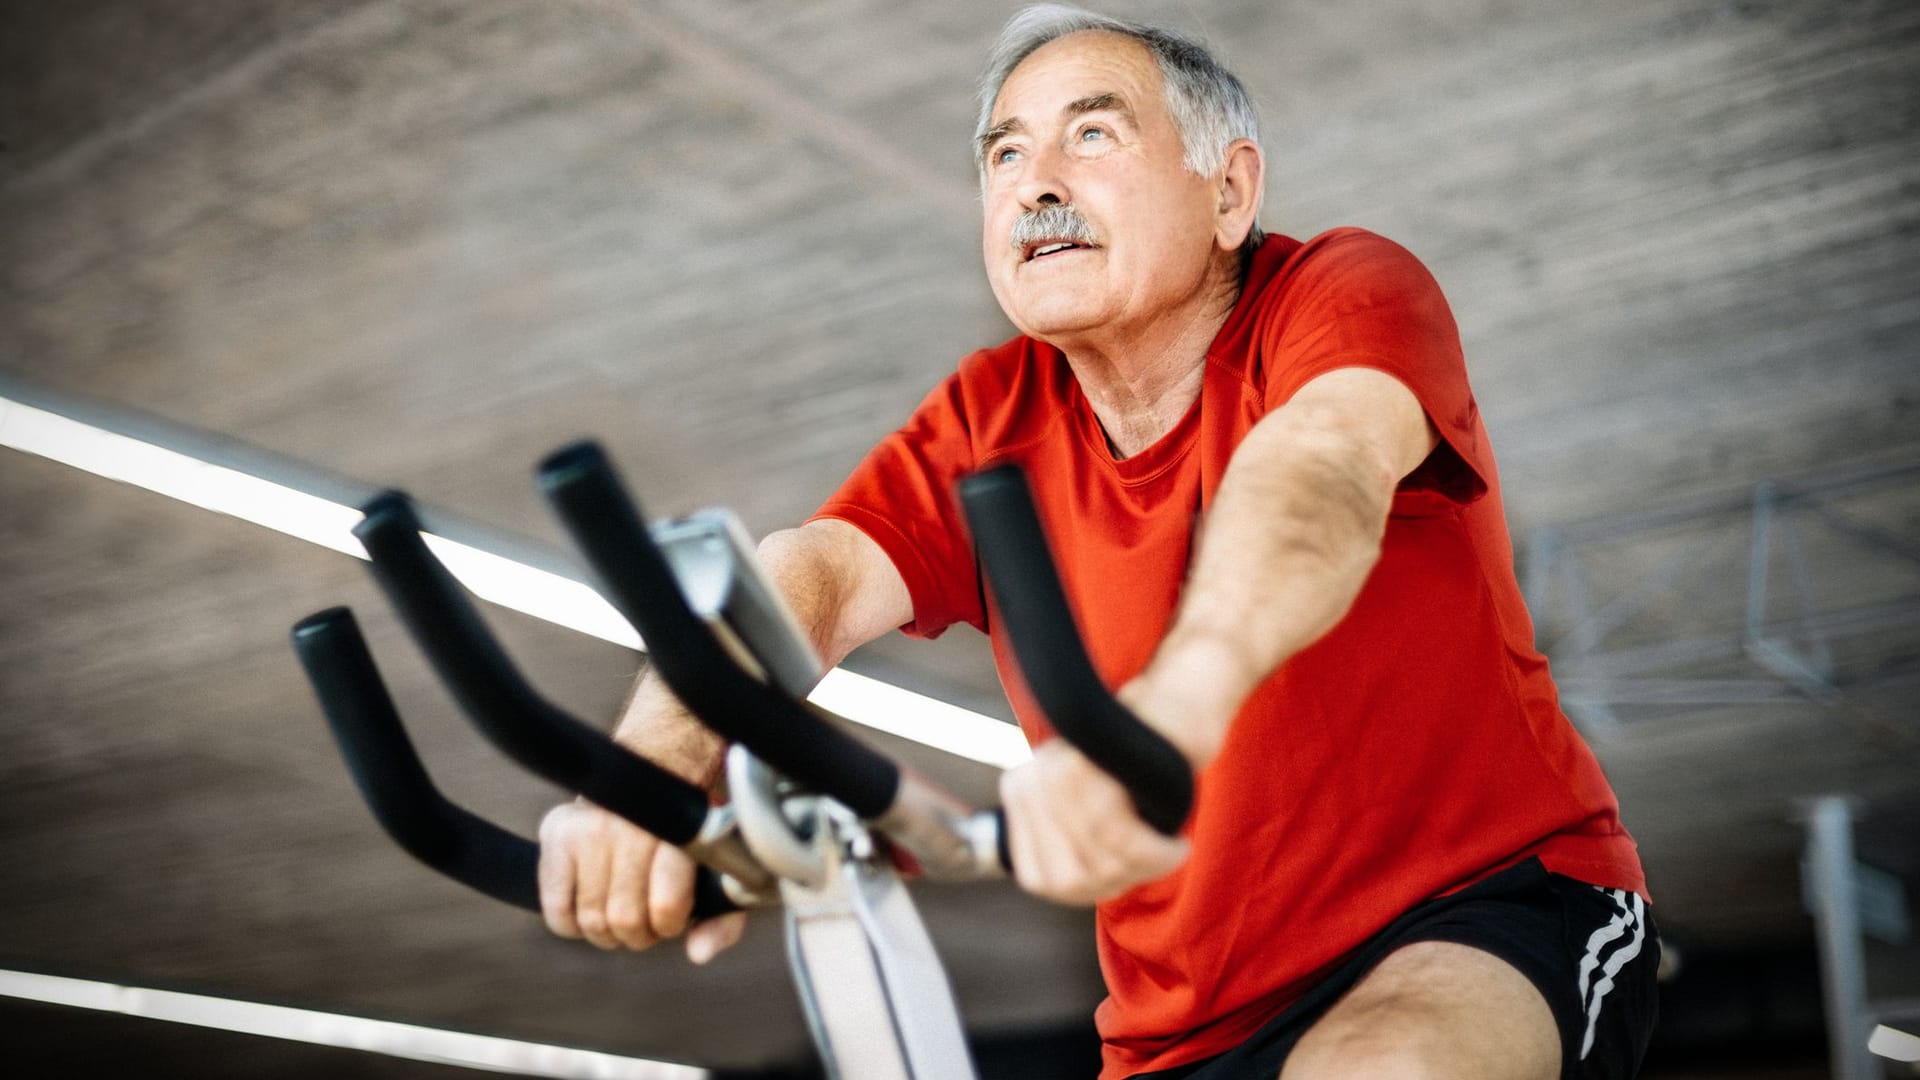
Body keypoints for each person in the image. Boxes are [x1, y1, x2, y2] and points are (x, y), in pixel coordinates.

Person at [537, 5, 1659, 1078]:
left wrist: (1166, 719)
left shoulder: (1340, 294)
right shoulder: (990, 415)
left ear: (1229, 192)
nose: (1038, 185)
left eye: (1093, 134)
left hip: (1487, 909)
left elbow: (1317, 469)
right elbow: (816, 578)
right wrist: (647, 774)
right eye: (1005, 157)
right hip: (1181, 1028)